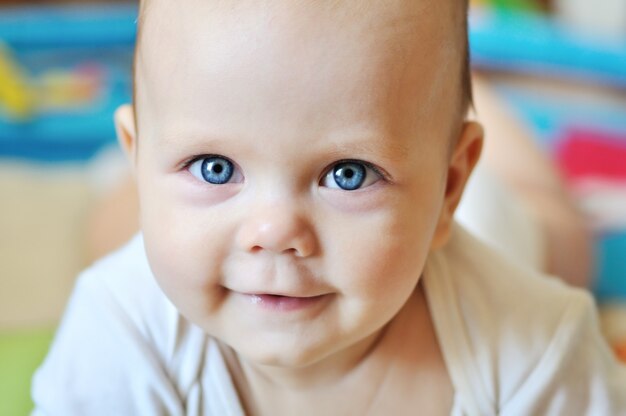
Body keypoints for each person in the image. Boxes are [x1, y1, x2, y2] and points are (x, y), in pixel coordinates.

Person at [32, 0, 625, 414]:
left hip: (495, 218)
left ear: (448, 186)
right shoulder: (120, 327)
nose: (273, 232)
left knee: (565, 239)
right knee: (113, 233)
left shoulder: (534, 345)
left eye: (348, 174)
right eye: (215, 166)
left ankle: (467, 100)